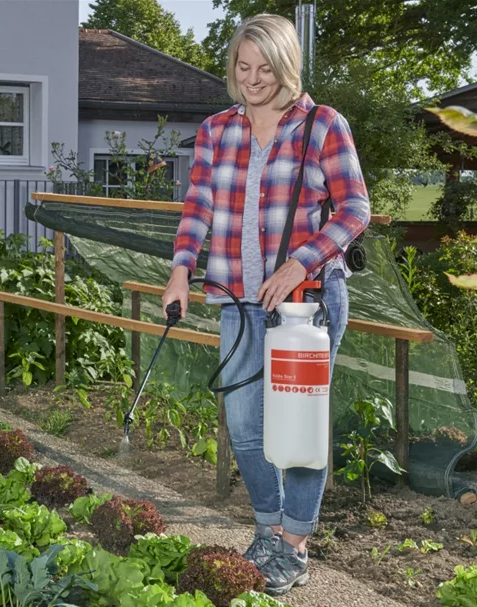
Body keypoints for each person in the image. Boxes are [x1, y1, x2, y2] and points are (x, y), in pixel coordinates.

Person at [162, 13, 370, 596]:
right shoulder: (216, 130)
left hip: (306, 305)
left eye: (265, 68)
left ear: (287, 65)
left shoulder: (323, 125)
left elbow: (355, 209)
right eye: (242, 67)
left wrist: (300, 261)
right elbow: (197, 206)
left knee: (300, 431)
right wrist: (180, 272)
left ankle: (296, 545)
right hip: (238, 298)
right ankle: (268, 528)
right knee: (244, 427)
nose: (253, 79)